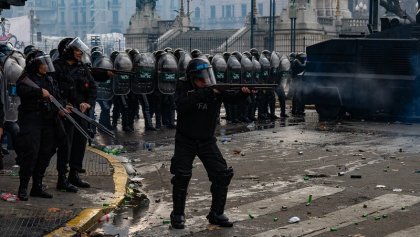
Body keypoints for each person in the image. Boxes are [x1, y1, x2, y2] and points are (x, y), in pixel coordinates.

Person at [170, 58, 252, 229]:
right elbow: (181, 105)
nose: (205, 81)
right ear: (192, 78)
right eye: (200, 79)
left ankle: (216, 213)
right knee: (181, 176)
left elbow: (232, 98)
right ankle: (177, 214)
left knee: (222, 174)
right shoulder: (183, 87)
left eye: (207, 77)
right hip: (185, 139)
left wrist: (244, 93)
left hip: (207, 140)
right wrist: (204, 94)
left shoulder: (215, 89)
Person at [15, 50, 60, 200]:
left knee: (45, 152)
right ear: (35, 64)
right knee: (31, 153)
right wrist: (39, 92)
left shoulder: (49, 78)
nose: (46, 66)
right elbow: (21, 90)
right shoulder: (26, 78)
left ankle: (37, 186)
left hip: (47, 120)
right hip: (31, 120)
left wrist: (61, 108)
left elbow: (55, 95)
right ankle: (23, 188)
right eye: (43, 63)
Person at [54, 37, 96, 191]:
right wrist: (63, 105)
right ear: (68, 51)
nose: (80, 53)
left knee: (80, 144)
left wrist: (88, 102)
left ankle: (74, 174)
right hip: (64, 114)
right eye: (77, 50)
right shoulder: (56, 68)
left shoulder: (82, 67)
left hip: (80, 113)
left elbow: (92, 88)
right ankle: (62, 179)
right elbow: (53, 90)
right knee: (66, 146)